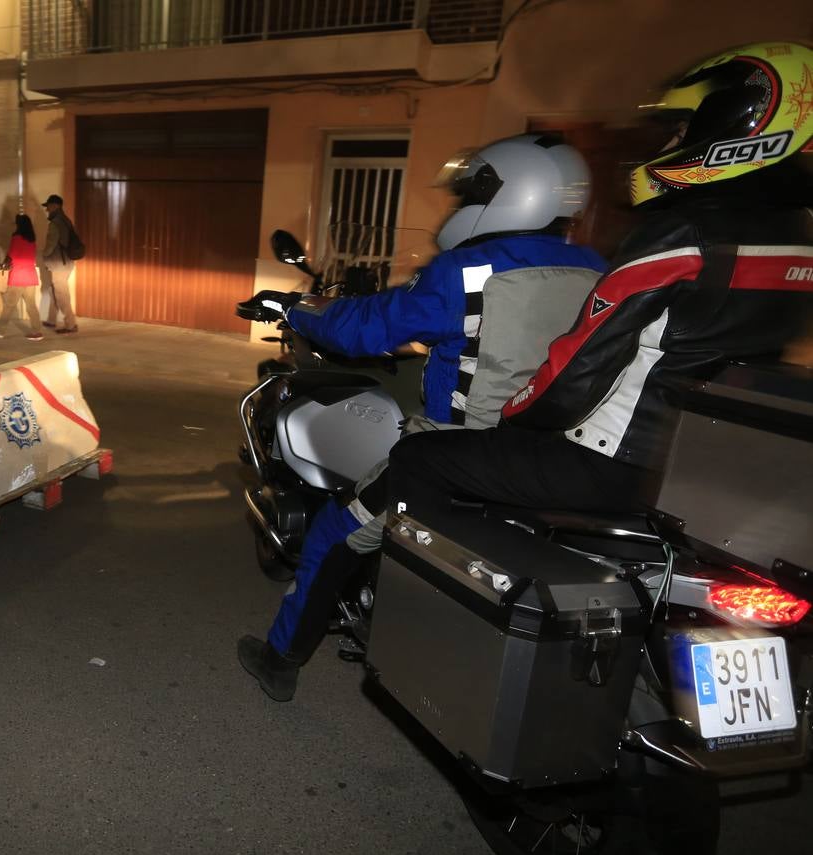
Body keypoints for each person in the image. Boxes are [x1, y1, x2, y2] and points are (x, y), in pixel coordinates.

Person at [386, 42, 813, 538]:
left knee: (417, 457)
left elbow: (580, 365)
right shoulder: (799, 233)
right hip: (701, 467)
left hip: (614, 461)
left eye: (680, 130)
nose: (668, 145)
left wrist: (513, 416)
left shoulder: (683, 232)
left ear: (730, 123)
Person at [236, 134, 609, 702]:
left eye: (473, 193)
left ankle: (281, 659)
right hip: (555, 452)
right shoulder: (597, 268)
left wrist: (295, 309)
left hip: (460, 451)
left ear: (510, 194)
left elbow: (362, 328)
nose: (462, 207)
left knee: (335, 535)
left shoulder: (469, 270)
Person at [0, 214, 45, 341]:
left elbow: (11, 255)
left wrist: (3, 262)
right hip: (30, 276)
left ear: (20, 225)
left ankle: (0, 331)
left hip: (17, 276)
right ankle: (37, 332)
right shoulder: (32, 239)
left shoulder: (16, 237)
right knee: (31, 305)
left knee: (9, 305)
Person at [40, 194, 80, 333]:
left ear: (55, 206)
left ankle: (70, 324)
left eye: (49, 206)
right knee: (54, 290)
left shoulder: (55, 223)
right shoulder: (66, 220)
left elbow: (50, 245)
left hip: (59, 264)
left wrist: (43, 256)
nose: (47, 210)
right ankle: (52, 320)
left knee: (61, 294)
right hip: (66, 262)